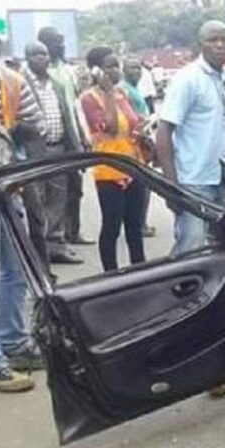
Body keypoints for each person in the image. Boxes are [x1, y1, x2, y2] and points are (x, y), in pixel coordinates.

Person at [0, 9, 41, 391]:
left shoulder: (12, 83)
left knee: (15, 273)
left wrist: (14, 134)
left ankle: (13, 342)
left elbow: (35, 129)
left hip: (8, 188)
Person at [157, 20, 225, 257]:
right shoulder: (189, 79)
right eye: (213, 40)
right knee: (191, 248)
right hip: (193, 182)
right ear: (200, 45)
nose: (220, 45)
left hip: (223, 180)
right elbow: (164, 130)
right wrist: (171, 187)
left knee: (223, 248)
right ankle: (178, 281)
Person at [80, 47, 148, 273]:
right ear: (96, 70)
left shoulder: (123, 94)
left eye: (116, 66)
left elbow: (132, 122)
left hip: (132, 165)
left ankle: (140, 271)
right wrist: (108, 94)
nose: (115, 71)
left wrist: (142, 127)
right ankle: (111, 274)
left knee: (134, 225)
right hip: (109, 170)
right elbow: (109, 126)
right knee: (112, 226)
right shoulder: (89, 98)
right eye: (109, 66)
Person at [22, 42, 84, 267]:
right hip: (34, 151)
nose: (42, 58)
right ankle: (38, 250)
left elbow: (67, 116)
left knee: (58, 198)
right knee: (36, 200)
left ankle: (56, 246)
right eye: (36, 54)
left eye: (45, 54)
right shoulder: (21, 82)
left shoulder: (55, 84)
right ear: (27, 57)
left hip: (59, 148)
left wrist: (75, 148)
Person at [38, 26, 94, 248]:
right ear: (44, 44)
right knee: (54, 194)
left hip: (71, 138)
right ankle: (55, 239)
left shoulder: (67, 70)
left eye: (62, 41)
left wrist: (83, 136)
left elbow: (74, 108)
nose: (61, 46)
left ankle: (73, 232)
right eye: (56, 42)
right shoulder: (38, 72)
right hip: (49, 143)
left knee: (75, 188)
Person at [120, 55, 157, 239]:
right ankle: (139, 224)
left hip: (140, 144)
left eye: (138, 68)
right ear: (124, 70)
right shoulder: (124, 90)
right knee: (140, 186)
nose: (136, 71)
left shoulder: (134, 89)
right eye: (131, 68)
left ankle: (139, 222)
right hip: (134, 145)